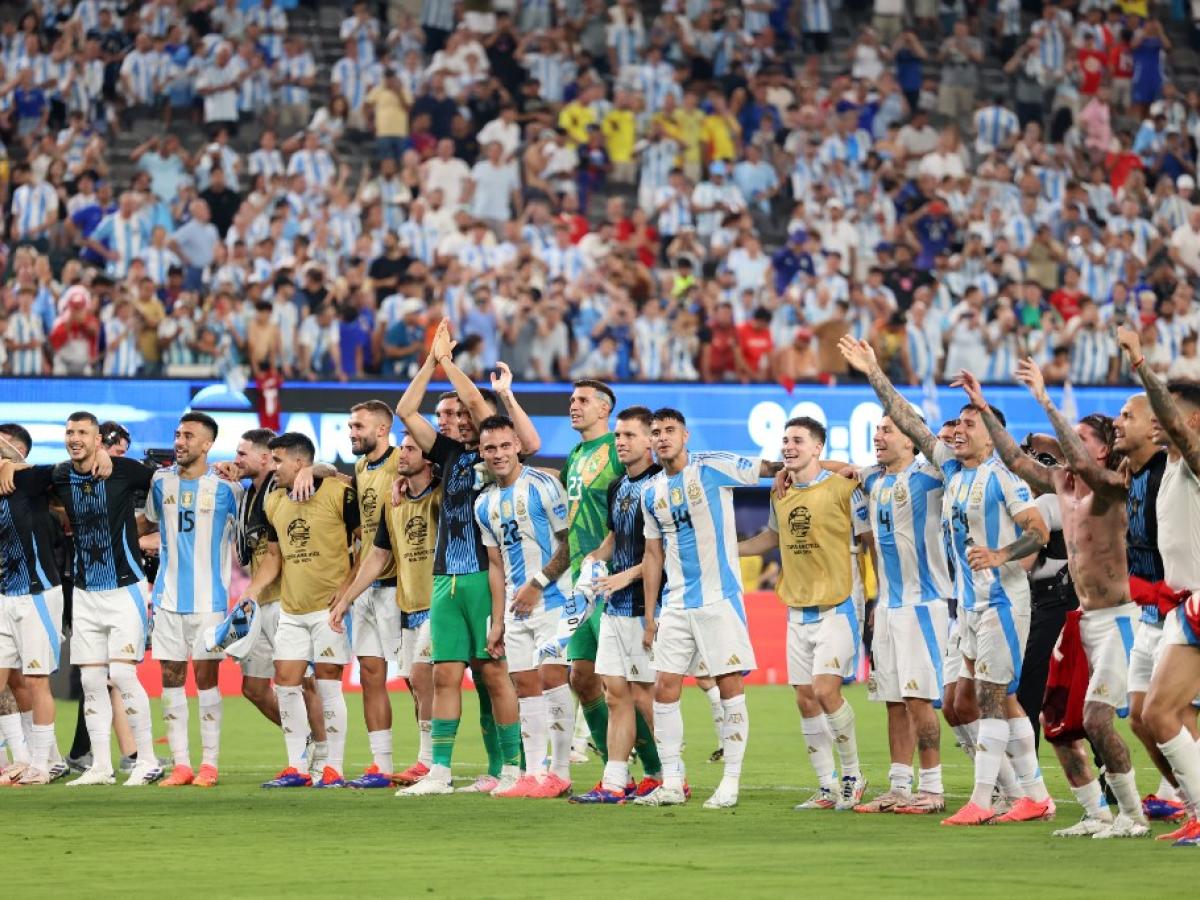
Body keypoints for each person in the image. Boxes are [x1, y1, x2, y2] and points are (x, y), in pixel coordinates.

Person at [840, 337, 1052, 827]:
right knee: (961, 702)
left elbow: (1036, 530)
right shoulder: (952, 469)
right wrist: (874, 371)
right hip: (968, 606)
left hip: (1002, 600)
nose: (956, 431)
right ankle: (1029, 794)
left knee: (994, 698)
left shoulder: (1004, 477)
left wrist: (1001, 553)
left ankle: (989, 798)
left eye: (968, 424)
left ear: (991, 432)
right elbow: (909, 420)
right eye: (955, 424)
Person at [962, 364, 1149, 839]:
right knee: (1058, 725)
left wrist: (1046, 402)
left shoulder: (1110, 485)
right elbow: (1016, 462)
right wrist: (984, 409)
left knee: (1100, 720)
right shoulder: (1064, 485)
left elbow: (1081, 464)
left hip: (1119, 618)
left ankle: (1134, 815)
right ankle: (1095, 813)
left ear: (1104, 449)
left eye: (1082, 438)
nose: (1071, 448)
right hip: (1079, 618)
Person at [392, 321, 535, 796]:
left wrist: (450, 362)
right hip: (444, 579)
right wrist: (431, 362)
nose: (459, 420)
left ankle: (513, 768)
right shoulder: (449, 453)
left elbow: (477, 404)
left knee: (493, 673)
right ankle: (439, 772)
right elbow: (405, 410)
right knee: (444, 674)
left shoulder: (501, 461)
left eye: (466, 415)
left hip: (483, 574)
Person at [635, 408, 776, 809]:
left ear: (686, 435)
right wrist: (650, 615)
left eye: (669, 431)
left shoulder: (711, 468)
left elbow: (767, 467)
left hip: (719, 598)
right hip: (677, 602)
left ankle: (730, 782)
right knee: (664, 687)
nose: (662, 438)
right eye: (656, 432)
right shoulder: (651, 492)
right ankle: (673, 782)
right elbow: (652, 553)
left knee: (729, 684)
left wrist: (797, 469)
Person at [738, 417, 872, 811]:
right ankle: (826, 786)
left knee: (826, 690)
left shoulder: (846, 488)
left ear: (818, 447)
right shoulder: (780, 493)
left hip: (840, 604)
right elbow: (772, 538)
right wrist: (730, 548)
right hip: (797, 608)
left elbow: (867, 542)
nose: (788, 446)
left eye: (798, 440)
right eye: (785, 440)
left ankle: (853, 775)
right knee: (804, 698)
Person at [1116, 326, 1200, 846]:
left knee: (1159, 712)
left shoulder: (1193, 460)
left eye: (1163, 409)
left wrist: (1141, 362)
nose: (1154, 418)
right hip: (1181, 605)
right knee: (1167, 713)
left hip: (1195, 602)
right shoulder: (1168, 465)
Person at [240, 432, 360, 789]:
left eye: (277, 461)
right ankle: (298, 767)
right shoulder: (274, 501)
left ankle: (333, 768)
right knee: (287, 683)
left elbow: (364, 544)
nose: (272, 468)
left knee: (327, 685)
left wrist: (347, 590)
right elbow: (274, 557)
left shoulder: (339, 493)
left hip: (329, 609)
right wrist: (250, 592)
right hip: (291, 610)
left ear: (298, 463)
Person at [49, 412, 161, 786]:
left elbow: (173, 480)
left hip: (124, 587)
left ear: (98, 439)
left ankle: (146, 760)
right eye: (70, 432)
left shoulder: (126, 471)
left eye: (83, 432)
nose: (74, 437)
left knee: (124, 674)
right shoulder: (60, 475)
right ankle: (100, 765)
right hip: (84, 591)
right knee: (92, 680)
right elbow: (22, 476)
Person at [852, 414, 954, 815]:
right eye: (877, 430)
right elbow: (838, 470)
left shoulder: (933, 479)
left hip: (924, 606)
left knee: (918, 698)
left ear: (912, 441)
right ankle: (898, 786)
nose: (878, 436)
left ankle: (932, 787)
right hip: (890, 608)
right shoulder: (872, 480)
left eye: (887, 430)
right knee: (893, 700)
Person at [473, 415, 575, 798]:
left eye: (504, 445)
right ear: (482, 453)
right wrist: (496, 622)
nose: (498, 454)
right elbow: (496, 565)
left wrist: (539, 583)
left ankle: (560, 771)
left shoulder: (544, 486)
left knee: (551, 679)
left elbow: (569, 544)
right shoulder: (484, 504)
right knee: (525, 687)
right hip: (516, 609)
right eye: (490, 448)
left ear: (517, 444)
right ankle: (533, 772)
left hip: (554, 599)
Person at [569, 406, 665, 803]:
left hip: (649, 606)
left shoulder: (662, 485)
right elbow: (614, 538)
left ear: (650, 441)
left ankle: (661, 773)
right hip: (615, 605)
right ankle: (615, 780)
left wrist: (627, 575)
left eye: (629, 436)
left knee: (643, 694)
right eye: (619, 436)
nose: (621, 442)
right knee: (613, 693)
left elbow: (666, 551)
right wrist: (594, 559)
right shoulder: (617, 486)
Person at [332, 432, 438, 786]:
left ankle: (436, 761)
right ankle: (417, 762)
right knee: (413, 680)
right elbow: (378, 554)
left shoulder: (443, 495)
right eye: (403, 447)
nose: (403, 454)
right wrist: (346, 598)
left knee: (423, 680)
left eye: (410, 448)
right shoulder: (391, 500)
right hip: (409, 604)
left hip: (440, 601)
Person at [142, 413, 242, 788]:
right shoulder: (159, 482)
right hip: (166, 599)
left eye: (188, 436)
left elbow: (246, 536)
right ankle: (181, 765)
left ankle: (210, 765)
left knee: (206, 681)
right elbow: (153, 525)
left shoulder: (227, 490)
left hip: (208, 602)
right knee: (169, 679)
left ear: (207, 444)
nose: (180, 441)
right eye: (177, 434)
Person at [221, 430, 329, 773]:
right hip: (258, 602)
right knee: (253, 688)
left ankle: (324, 757)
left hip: (286, 600)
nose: (237, 459)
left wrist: (313, 470)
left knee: (303, 681)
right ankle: (305, 740)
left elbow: (332, 473)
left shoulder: (285, 486)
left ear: (266, 458)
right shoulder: (247, 492)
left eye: (242, 454)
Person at [1112, 395, 1185, 821]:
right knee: (1140, 717)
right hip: (1149, 612)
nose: (1119, 423)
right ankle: (1181, 792)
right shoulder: (1133, 473)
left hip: (1177, 606)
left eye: (1128, 416)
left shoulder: (1170, 468)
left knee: (1170, 713)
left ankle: (1183, 798)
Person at [336, 400, 403, 789]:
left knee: (415, 678)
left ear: (382, 430)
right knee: (372, 675)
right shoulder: (361, 468)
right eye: (349, 425)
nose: (351, 432)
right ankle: (381, 764)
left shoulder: (403, 462)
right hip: (368, 586)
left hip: (401, 587)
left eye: (358, 426)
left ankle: (429, 761)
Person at [0, 431, 67, 785]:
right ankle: (22, 759)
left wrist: (12, 462)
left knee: (36, 679)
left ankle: (43, 764)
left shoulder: (25, 479)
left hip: (37, 593)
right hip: (4, 595)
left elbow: (65, 472)